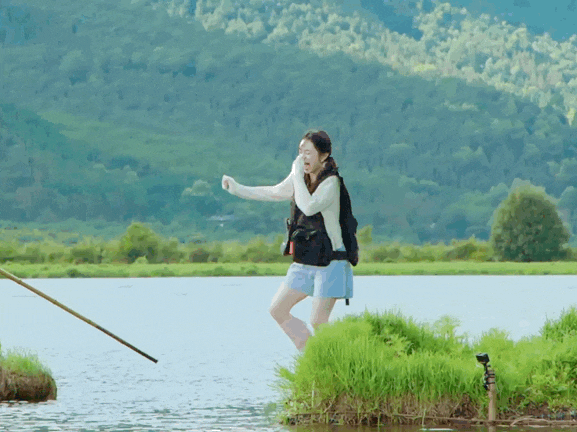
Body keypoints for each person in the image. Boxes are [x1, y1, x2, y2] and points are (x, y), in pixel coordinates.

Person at [221, 130, 353, 351]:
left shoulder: (331, 184)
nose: (302, 157)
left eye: (308, 152)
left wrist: (296, 175)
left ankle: (342, 357)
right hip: (305, 260)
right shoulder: (300, 178)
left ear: (324, 155)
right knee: (278, 310)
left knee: (318, 321)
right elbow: (274, 192)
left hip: (331, 262)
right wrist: (237, 189)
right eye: (300, 151)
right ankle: (311, 355)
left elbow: (309, 207)